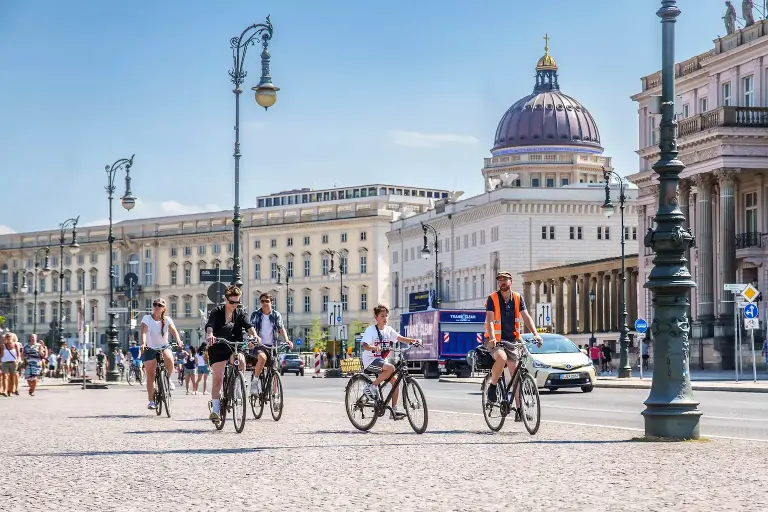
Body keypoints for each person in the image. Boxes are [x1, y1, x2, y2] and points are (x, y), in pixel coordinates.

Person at [484, 271, 543, 421]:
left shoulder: (517, 298)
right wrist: (492, 338)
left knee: (515, 373)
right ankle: (492, 386)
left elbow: (526, 317)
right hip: (494, 341)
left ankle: (519, 410)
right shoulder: (492, 298)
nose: (502, 282)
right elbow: (490, 319)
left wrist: (536, 334)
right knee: (501, 358)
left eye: (505, 280)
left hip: (512, 340)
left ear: (511, 281)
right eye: (500, 280)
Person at [205, 285, 259, 422]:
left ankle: (238, 387)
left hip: (234, 346)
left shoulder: (240, 312)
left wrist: (255, 336)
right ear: (225, 299)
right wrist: (210, 334)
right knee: (217, 378)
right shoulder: (217, 311)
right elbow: (210, 325)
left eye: (237, 302)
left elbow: (249, 326)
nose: (234, 305)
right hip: (218, 347)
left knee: (240, 360)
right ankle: (215, 410)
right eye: (232, 302)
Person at [360, 304, 421, 420]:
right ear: (376, 317)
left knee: (395, 382)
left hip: (382, 361)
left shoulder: (388, 330)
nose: (385, 318)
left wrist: (414, 341)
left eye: (386, 316)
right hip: (370, 360)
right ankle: (372, 386)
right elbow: (365, 345)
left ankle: (394, 411)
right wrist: (374, 348)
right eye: (382, 316)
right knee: (391, 368)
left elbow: (400, 338)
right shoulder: (371, 330)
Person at [140, 298, 182, 410]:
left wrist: (178, 340)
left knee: (169, 358)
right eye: (155, 304)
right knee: (151, 375)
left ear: (163, 308)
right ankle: (151, 401)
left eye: (159, 305)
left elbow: (173, 331)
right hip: (150, 347)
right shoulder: (147, 318)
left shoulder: (167, 319)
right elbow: (144, 331)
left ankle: (167, 379)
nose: (156, 306)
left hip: (164, 346)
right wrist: (143, 343)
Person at [249, 292, 293, 396]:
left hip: (272, 347)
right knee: (262, 358)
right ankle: (254, 383)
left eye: (267, 301)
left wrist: (287, 340)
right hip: (258, 346)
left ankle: (275, 396)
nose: (264, 303)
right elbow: (251, 329)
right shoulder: (256, 314)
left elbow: (281, 328)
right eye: (262, 301)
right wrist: (251, 339)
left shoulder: (276, 315)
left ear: (271, 302)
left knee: (274, 371)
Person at [0, 332, 21, 397]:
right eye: (7, 337)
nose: (8, 338)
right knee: (5, 376)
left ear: (12, 337)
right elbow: (2, 354)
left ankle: (10, 390)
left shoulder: (16, 345)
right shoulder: (3, 345)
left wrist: (17, 361)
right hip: (5, 362)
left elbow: (18, 355)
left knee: (12, 377)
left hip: (13, 363)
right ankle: (5, 390)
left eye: (9, 337)